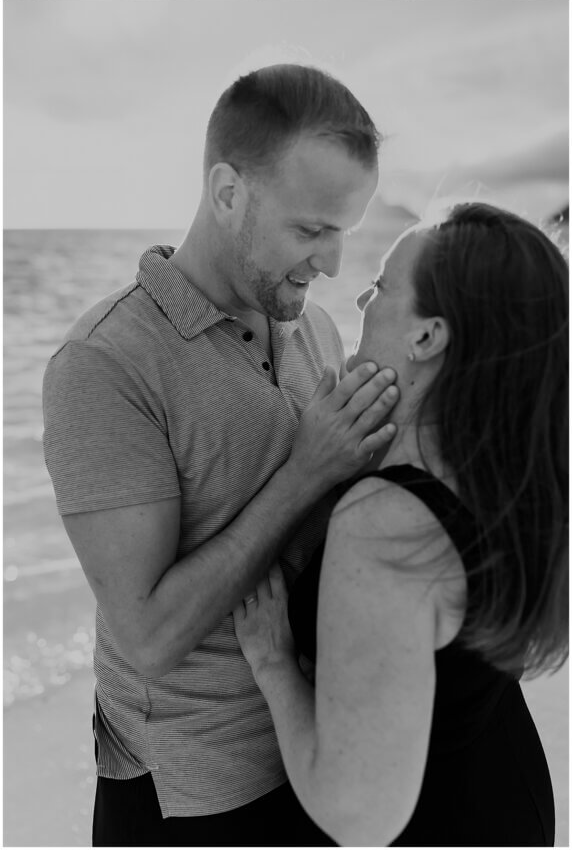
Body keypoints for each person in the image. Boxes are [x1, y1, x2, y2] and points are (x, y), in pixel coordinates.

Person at [42, 63, 399, 847]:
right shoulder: (106, 364)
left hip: (316, 756)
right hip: (194, 799)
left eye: (345, 232)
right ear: (229, 193)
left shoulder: (316, 328)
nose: (333, 263)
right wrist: (308, 468)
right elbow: (148, 637)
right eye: (311, 231)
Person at [235, 201, 568, 846]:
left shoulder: (389, 520)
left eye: (383, 286)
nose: (361, 298)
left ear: (427, 337)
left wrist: (274, 663)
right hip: (509, 802)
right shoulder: (510, 475)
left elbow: (359, 816)